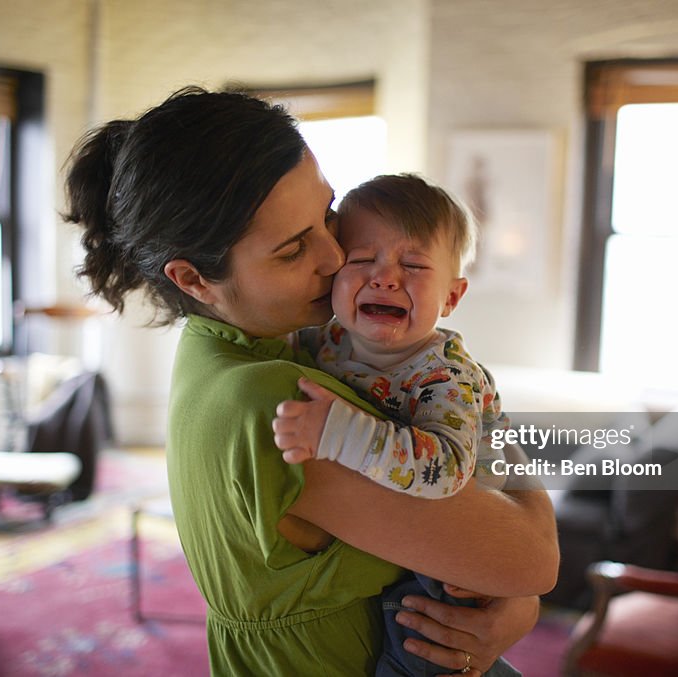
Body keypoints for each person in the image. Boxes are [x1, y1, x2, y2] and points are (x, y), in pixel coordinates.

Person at [64, 86, 558, 676]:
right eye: (295, 248)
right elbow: (532, 559)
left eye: (326, 216)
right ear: (194, 278)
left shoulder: (242, 350)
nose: (335, 257)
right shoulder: (281, 404)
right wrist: (518, 599)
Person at [272, 173, 520, 676]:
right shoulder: (325, 341)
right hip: (384, 534)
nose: (386, 278)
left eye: (413, 265)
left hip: (451, 555)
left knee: (423, 652)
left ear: (451, 298)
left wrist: (337, 433)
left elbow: (446, 470)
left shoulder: (446, 377)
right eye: (361, 260)